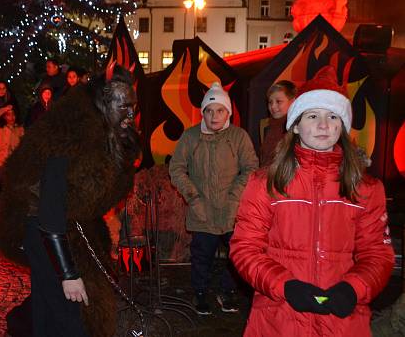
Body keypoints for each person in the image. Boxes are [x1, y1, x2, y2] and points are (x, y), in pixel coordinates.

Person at [229, 89, 394, 336]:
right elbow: (245, 248)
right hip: (279, 317)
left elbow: (378, 254)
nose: (324, 125)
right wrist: (285, 286)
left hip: (342, 319)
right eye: (313, 116)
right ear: (295, 126)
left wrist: (353, 289)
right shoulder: (265, 183)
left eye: (333, 117)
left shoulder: (367, 189)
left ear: (343, 127)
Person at [0, 64, 140, 336]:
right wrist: (67, 273)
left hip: (68, 223)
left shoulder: (103, 129)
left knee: (54, 307)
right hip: (43, 228)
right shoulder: (70, 131)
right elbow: (49, 208)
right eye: (124, 106)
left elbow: (95, 196)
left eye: (133, 106)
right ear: (104, 100)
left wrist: (126, 150)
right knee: (68, 311)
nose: (130, 114)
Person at [169, 82, 258, 315]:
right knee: (201, 256)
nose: (214, 115)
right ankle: (200, 293)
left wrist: (234, 198)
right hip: (202, 210)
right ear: (202, 113)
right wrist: (193, 198)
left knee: (235, 255)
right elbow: (176, 168)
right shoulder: (191, 137)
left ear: (228, 112)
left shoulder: (238, 137)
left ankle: (227, 292)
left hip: (232, 210)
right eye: (209, 111)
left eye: (219, 110)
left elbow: (250, 168)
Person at [259, 80, 296, 166]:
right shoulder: (266, 126)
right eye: (270, 102)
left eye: (278, 101)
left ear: (293, 102)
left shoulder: (298, 127)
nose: (273, 106)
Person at [0, 106, 24, 189]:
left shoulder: (19, 129)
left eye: (13, 114)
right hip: (1, 162)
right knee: (4, 186)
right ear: (4, 117)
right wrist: (4, 109)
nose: (11, 117)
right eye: (8, 115)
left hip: (14, 162)